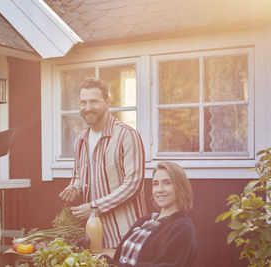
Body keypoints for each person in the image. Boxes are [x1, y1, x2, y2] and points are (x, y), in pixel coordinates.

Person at [59, 77, 146, 248]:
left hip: (125, 233)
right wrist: (74, 187)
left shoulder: (127, 136)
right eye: (83, 102)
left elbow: (134, 184)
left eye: (94, 102)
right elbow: (78, 175)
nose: (88, 108)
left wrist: (95, 207)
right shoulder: (81, 139)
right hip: (94, 233)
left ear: (107, 102)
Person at [100, 161, 198, 267]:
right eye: (155, 184)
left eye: (167, 183)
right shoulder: (145, 220)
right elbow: (120, 257)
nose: (159, 190)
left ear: (180, 187)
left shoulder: (182, 227)